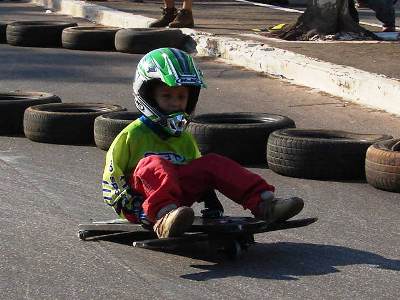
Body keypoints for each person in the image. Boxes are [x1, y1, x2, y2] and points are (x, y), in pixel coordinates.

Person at [102, 47, 304, 239]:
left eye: (181, 97)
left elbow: (195, 172)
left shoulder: (184, 138)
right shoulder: (131, 135)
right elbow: (111, 182)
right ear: (148, 96)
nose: (175, 103)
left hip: (178, 204)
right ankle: (164, 217)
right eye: (167, 96)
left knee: (213, 162)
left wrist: (208, 196)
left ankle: (264, 204)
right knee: (153, 164)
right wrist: (133, 206)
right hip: (141, 203)